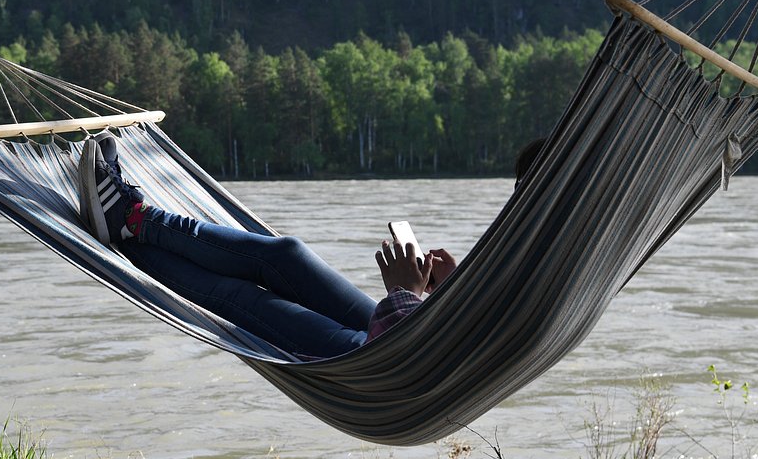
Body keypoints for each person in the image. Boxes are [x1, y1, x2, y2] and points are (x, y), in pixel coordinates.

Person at [79, 132, 544, 360]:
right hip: (413, 331)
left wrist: (404, 292)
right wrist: (450, 289)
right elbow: (479, 321)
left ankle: (131, 228)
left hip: (384, 368)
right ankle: (132, 223)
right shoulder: (536, 245)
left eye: (525, 189)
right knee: (288, 255)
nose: (516, 199)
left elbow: (421, 357)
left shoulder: (549, 259)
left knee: (245, 302)